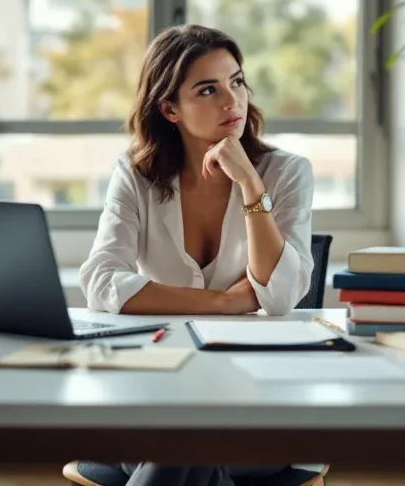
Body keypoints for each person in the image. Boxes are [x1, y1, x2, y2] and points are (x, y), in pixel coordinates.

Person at [79, 24, 316, 486]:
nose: (232, 102)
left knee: (187, 444)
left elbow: (282, 294)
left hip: (256, 399)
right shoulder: (136, 174)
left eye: (237, 81)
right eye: (208, 90)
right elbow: (101, 281)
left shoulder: (285, 172)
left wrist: (250, 184)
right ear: (170, 108)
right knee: (190, 442)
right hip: (155, 392)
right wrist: (224, 303)